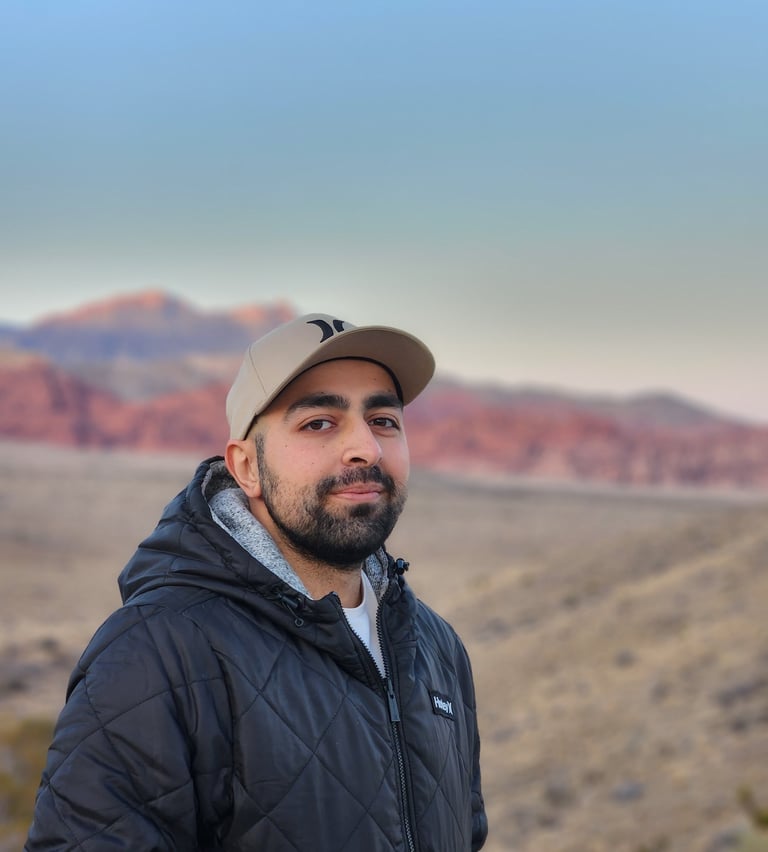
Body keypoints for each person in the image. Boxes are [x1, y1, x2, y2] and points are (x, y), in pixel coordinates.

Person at [25, 313, 488, 852]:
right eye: (319, 423)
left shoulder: (437, 649)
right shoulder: (157, 653)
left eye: (383, 419)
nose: (367, 448)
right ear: (246, 467)